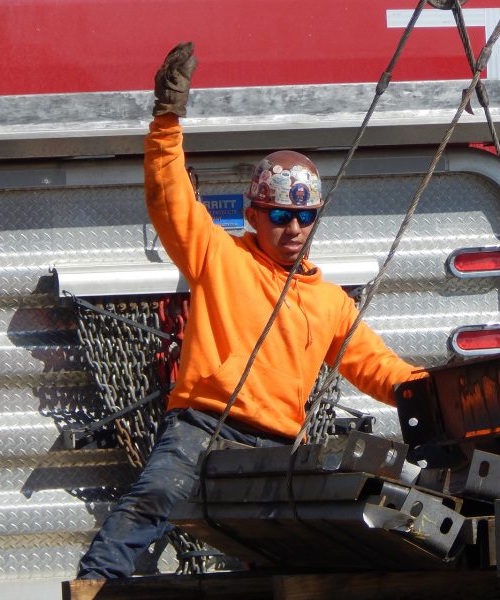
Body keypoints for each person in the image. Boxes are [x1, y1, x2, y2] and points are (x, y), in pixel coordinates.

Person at [77, 42, 424, 580]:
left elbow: (382, 370)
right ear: (253, 214)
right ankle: (93, 588)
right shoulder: (219, 256)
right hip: (201, 426)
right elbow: (168, 198)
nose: (293, 229)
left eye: (305, 216)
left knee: (289, 550)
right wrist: (167, 120)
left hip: (279, 447)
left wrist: (444, 392)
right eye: (281, 215)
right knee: (154, 498)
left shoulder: (329, 303)